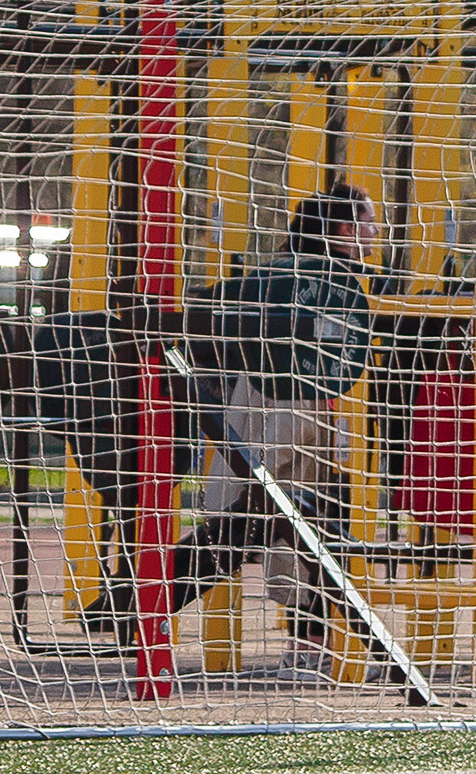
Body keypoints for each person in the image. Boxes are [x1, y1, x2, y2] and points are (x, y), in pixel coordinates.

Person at [144, 182, 377, 669]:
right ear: (344, 229)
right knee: (292, 513)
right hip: (292, 402)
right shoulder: (313, 278)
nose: (376, 233)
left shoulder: (292, 274)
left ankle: (307, 638)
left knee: (288, 516)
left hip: (279, 404)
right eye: (369, 223)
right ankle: (308, 638)